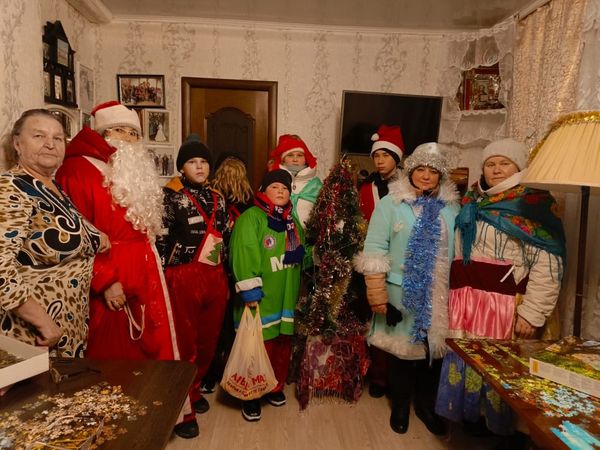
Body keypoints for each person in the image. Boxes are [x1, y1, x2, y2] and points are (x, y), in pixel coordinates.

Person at [435, 138, 566, 437]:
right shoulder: (472, 201)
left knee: (502, 368)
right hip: (468, 303)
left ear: (519, 167)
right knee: (471, 363)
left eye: (504, 163)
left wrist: (532, 313)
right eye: (490, 164)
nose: (496, 169)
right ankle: (473, 419)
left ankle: (503, 431)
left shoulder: (534, 205)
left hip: (505, 307)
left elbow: (548, 265)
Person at [55, 101, 180, 362]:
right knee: (117, 354)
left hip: (143, 272)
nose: (128, 139)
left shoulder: (124, 170)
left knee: (147, 346)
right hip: (112, 274)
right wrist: (106, 281)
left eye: (133, 133)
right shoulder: (77, 171)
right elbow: (76, 234)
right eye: (120, 130)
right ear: (103, 133)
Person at [354, 143, 459, 436]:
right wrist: (377, 295)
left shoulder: (452, 209)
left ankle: (426, 407)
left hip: (439, 296)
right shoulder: (391, 204)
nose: (426, 176)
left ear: (441, 176)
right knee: (401, 354)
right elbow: (374, 249)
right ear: (410, 171)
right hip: (401, 294)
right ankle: (400, 406)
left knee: (432, 354)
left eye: (433, 171)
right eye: (420, 169)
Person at [0, 109, 108, 357]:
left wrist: (95, 236)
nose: (50, 144)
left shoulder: (51, 186)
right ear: (17, 143)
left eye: (58, 138)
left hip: (70, 327)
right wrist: (43, 322)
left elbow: (57, 228)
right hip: (32, 334)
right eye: (39, 136)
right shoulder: (10, 188)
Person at [155, 134, 230, 437]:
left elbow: (224, 235)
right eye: (192, 162)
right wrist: (161, 277)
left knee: (207, 341)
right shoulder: (169, 196)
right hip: (183, 276)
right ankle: (182, 408)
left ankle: (194, 389)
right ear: (181, 167)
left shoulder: (218, 198)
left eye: (203, 162)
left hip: (214, 275)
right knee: (184, 342)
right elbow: (160, 239)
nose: (199, 167)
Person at [229, 169, 305, 422]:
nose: (281, 191)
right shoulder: (251, 218)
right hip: (260, 298)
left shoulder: (291, 221)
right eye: (275, 187)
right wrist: (250, 290)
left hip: (285, 297)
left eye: (285, 188)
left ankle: (274, 385)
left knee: (281, 344)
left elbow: (301, 253)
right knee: (256, 346)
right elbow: (243, 252)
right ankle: (251, 394)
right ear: (263, 190)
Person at [357, 124, 405, 398]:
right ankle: (377, 375)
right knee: (375, 315)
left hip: (398, 262)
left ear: (397, 158)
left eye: (386, 155)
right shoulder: (366, 187)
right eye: (376, 156)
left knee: (397, 319)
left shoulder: (408, 188)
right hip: (371, 259)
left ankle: (396, 376)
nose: (380, 161)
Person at [200, 154, 255, 393]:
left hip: (225, 269)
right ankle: (227, 372)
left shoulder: (220, 199)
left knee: (221, 326)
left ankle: (218, 374)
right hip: (229, 269)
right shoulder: (218, 200)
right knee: (227, 325)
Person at [267, 134, 322, 229]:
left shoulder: (316, 185)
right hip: (280, 233)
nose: (295, 159)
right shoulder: (273, 181)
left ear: (305, 158)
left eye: (300, 155)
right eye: (290, 155)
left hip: (310, 234)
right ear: (283, 159)